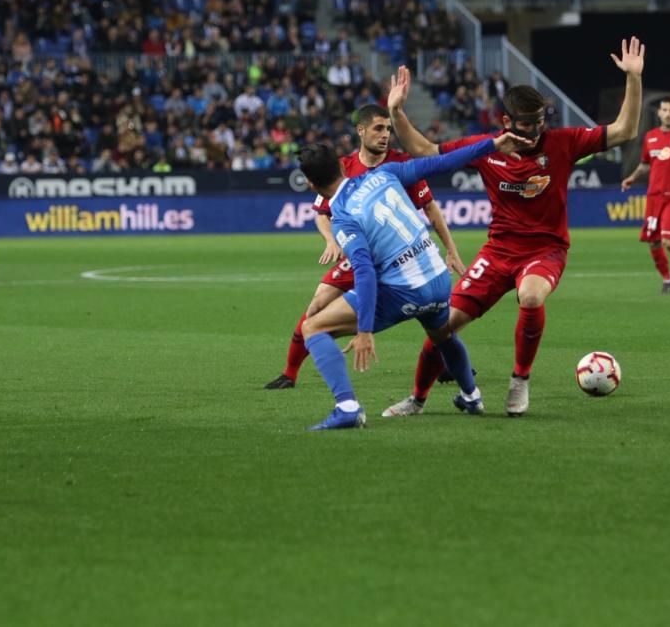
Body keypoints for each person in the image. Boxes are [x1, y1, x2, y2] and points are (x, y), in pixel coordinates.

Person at [382, 36, 645, 418]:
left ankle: (519, 381)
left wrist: (633, 79)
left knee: (532, 296)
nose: (536, 131)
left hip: (546, 250)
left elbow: (624, 131)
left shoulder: (563, 143)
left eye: (540, 122)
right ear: (507, 122)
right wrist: (396, 113)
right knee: (443, 325)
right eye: (527, 124)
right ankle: (418, 399)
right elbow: (425, 151)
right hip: (498, 252)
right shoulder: (486, 147)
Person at [296, 131, 531, 430]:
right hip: (438, 278)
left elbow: (365, 272)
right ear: (342, 167)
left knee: (312, 327)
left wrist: (365, 329)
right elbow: (442, 162)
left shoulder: (341, 217)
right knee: (442, 335)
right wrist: (492, 145)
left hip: (406, 290)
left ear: (312, 185)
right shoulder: (386, 172)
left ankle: (347, 408)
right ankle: (471, 396)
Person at [264, 104, 465, 390]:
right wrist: (332, 240)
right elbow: (322, 212)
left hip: (399, 255)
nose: (385, 135)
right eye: (379, 128)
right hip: (360, 254)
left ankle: (448, 365)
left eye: (388, 129)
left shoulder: (399, 164)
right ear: (361, 131)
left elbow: (430, 208)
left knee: (431, 312)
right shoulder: (343, 167)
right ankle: (289, 373)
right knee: (317, 305)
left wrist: (451, 248)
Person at [621, 96, 670, 294]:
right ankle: (668, 280)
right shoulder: (650, 137)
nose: (668, 114)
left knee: (669, 241)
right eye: (664, 110)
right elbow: (645, 164)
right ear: (659, 113)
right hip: (654, 196)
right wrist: (632, 177)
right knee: (654, 241)